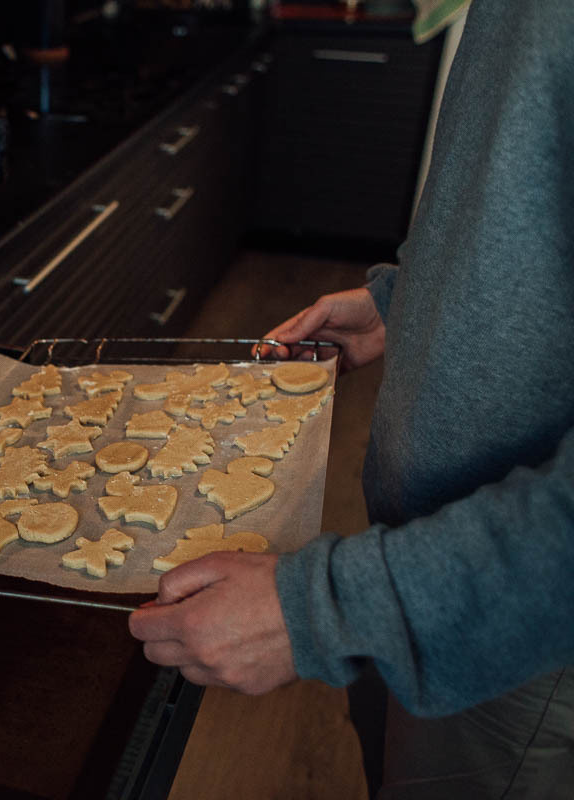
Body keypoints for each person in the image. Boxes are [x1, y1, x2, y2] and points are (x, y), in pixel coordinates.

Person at [128, 0, 574, 796]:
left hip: (510, 618)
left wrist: (325, 611)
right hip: (417, 555)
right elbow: (520, 188)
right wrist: (409, 303)